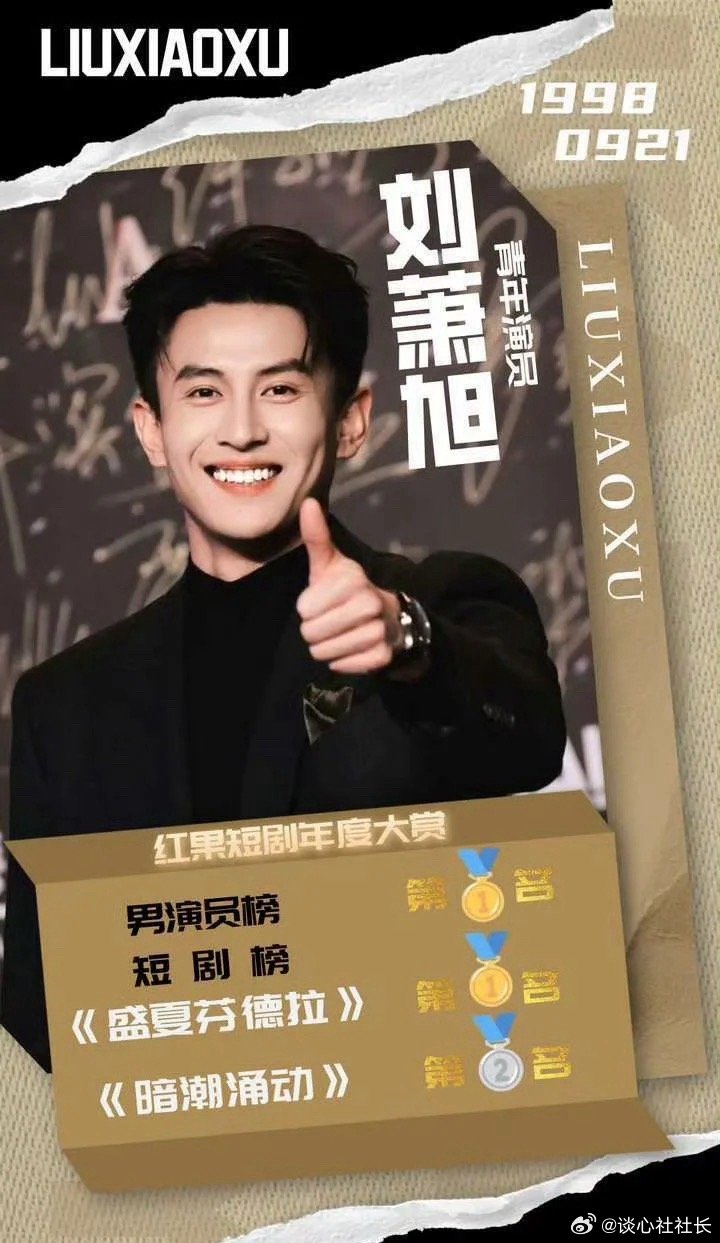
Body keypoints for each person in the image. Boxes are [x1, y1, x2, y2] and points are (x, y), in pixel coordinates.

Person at [1, 224, 566, 1072]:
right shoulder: (63, 705)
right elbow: (37, 1017)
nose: (240, 431)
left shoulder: (446, 603)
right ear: (151, 429)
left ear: (350, 420)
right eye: (203, 392)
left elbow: (527, 734)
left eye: (280, 389)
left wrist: (409, 641)